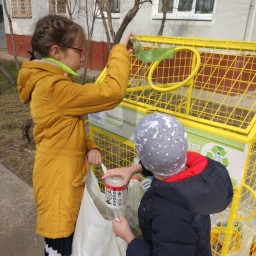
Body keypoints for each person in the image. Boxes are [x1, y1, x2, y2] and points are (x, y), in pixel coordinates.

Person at [17, 14, 134, 256]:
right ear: (57, 51)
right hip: (59, 188)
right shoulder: (55, 87)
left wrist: (90, 146)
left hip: (59, 180)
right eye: (79, 50)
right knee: (60, 246)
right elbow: (111, 92)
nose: (83, 57)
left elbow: (64, 130)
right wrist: (119, 53)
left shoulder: (53, 83)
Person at [102, 113, 234, 256]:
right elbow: (167, 166)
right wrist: (133, 169)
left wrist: (129, 237)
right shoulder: (199, 175)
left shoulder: (169, 215)